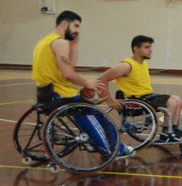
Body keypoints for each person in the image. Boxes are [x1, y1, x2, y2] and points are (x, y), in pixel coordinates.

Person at [32, 10, 134, 157]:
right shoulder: (59, 42)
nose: (77, 31)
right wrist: (87, 83)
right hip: (60, 95)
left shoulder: (44, 42)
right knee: (97, 115)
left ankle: (99, 143)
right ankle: (114, 149)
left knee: (91, 110)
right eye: (76, 26)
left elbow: (68, 68)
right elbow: (68, 74)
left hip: (46, 94)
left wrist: (73, 46)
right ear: (64, 23)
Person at [98, 35, 182, 143]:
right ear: (136, 49)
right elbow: (101, 80)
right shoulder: (126, 65)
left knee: (178, 100)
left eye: (150, 47)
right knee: (171, 102)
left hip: (146, 98)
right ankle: (166, 134)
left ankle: (173, 130)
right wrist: (109, 101)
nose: (151, 50)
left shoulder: (144, 63)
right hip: (135, 101)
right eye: (147, 47)